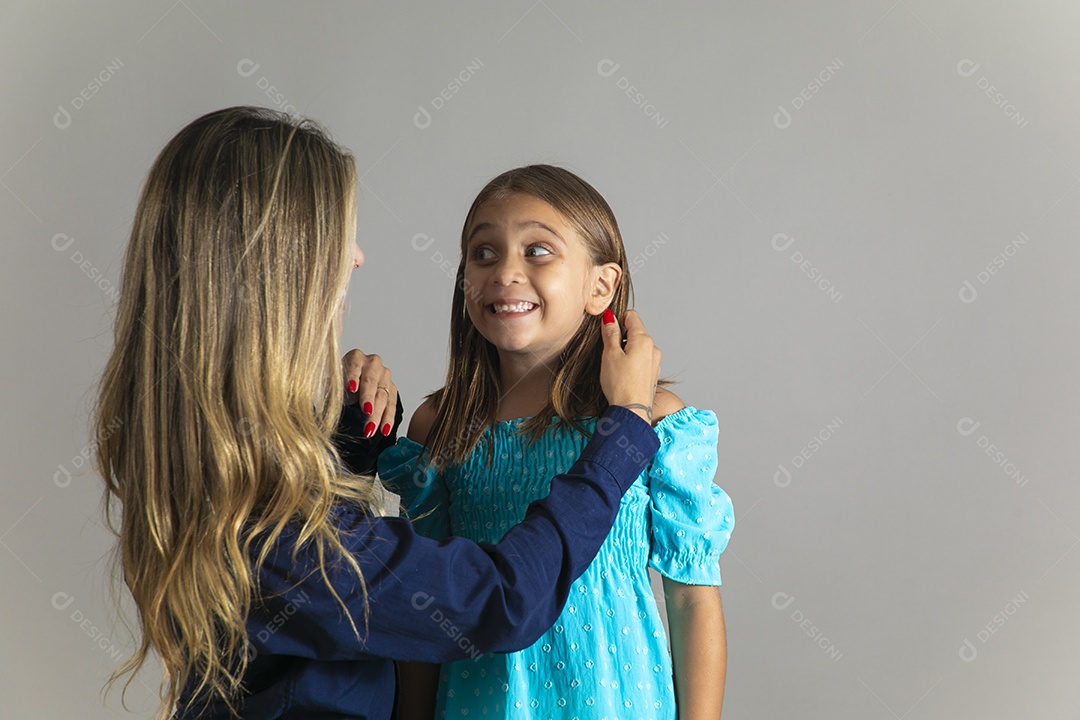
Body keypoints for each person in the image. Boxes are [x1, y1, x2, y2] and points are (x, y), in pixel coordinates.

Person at [91, 107, 664, 720]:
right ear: (269, 273)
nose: (358, 256)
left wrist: (346, 450)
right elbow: (500, 601)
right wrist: (624, 430)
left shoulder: (224, 489)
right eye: (337, 238)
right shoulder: (270, 531)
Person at [380, 165, 735, 719]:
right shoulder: (439, 427)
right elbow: (426, 607)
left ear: (601, 287)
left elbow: (691, 598)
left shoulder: (655, 421)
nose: (505, 272)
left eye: (537, 251)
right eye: (483, 253)